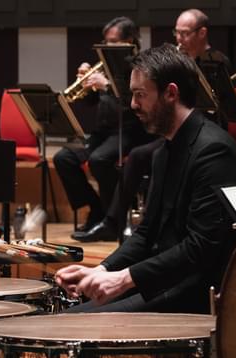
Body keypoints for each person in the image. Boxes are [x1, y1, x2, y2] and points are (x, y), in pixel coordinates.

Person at [55, 44, 236, 313]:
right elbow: (146, 234)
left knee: (69, 324)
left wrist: (123, 279)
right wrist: (102, 270)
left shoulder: (214, 152)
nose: (133, 105)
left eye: (140, 95)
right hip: (162, 280)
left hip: (194, 291)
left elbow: (200, 248)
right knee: (62, 316)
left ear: (171, 93)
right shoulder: (163, 151)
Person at [53, 17, 153, 238]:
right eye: (105, 41)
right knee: (64, 158)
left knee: (99, 160)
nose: (106, 46)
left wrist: (106, 87)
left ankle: (112, 219)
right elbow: (91, 103)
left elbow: (135, 107)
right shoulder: (107, 64)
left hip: (130, 131)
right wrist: (87, 85)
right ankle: (97, 210)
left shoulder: (141, 66)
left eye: (113, 41)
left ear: (129, 40)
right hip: (103, 132)